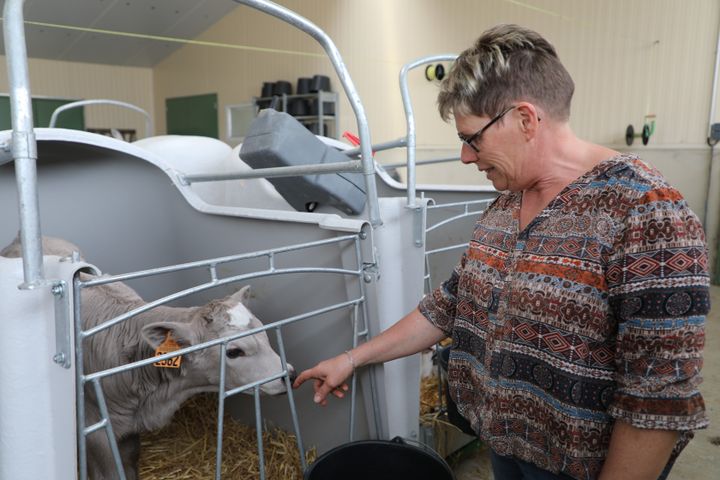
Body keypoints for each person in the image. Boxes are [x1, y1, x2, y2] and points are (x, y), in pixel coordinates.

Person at [293, 24, 709, 480]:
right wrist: (351, 359)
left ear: (526, 119)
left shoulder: (645, 211)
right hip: (504, 446)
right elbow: (449, 305)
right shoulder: (506, 204)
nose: (467, 157)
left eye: (473, 138)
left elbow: (657, 399)